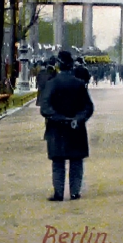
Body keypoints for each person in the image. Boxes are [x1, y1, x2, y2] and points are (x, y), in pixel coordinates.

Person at [40, 51, 94, 202]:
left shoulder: (52, 84)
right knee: (76, 162)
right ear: (71, 66)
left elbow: (45, 107)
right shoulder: (79, 84)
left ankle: (58, 193)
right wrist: (77, 119)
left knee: (58, 163)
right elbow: (88, 107)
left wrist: (59, 118)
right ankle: (75, 192)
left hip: (57, 129)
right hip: (76, 129)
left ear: (58, 65)